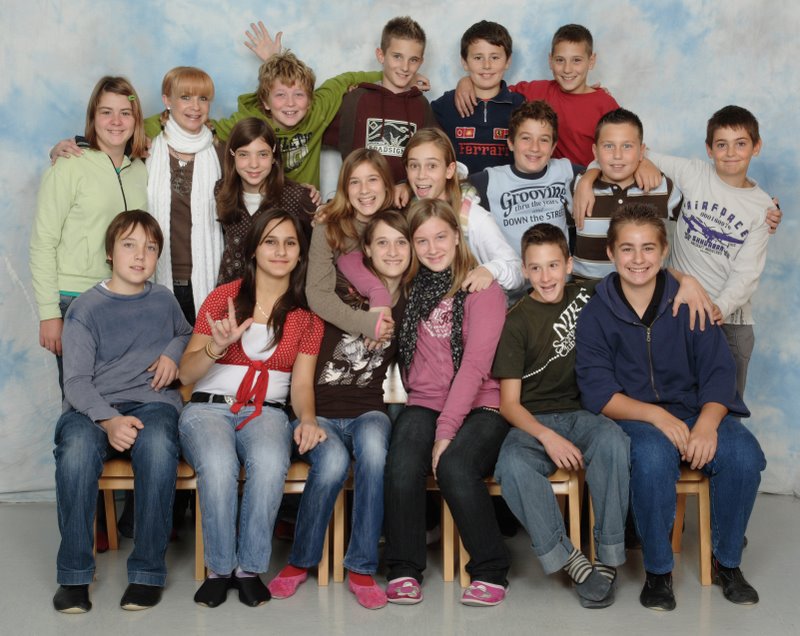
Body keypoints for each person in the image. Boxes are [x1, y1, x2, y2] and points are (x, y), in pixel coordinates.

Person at [575, 203, 766, 611]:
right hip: (636, 417)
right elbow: (598, 392)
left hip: (695, 410)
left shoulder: (690, 303)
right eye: (627, 248)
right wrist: (656, 416)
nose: (638, 259)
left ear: (664, 252)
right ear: (610, 253)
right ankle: (659, 571)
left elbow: (719, 372)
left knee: (743, 455)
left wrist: (708, 424)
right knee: (650, 458)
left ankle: (727, 562)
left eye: (648, 248)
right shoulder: (595, 313)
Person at [575, 105, 777, 397]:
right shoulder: (693, 173)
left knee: (724, 402)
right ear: (709, 149)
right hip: (679, 308)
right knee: (682, 395)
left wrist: (718, 309)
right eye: (722, 144)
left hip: (726, 317)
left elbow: (747, 274)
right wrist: (590, 176)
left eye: (741, 144)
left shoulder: (763, 208)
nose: (731, 153)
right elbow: (626, 153)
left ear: (756, 147)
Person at [178, 209, 324, 608]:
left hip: (267, 411)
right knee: (218, 464)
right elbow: (185, 373)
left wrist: (308, 419)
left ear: (300, 253)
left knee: (271, 461)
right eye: (270, 242)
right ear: (254, 249)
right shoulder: (223, 298)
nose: (280, 251)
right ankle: (219, 569)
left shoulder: (306, 316)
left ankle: (249, 569)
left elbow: (302, 385)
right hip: (208, 410)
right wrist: (216, 347)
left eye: (290, 243)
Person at [269, 210, 411, 610]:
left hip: (369, 411)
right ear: (367, 250)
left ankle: (362, 567)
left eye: (401, 243)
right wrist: (307, 419)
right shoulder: (336, 299)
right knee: (331, 462)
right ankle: (300, 560)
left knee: (375, 451)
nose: (392, 251)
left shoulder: (406, 308)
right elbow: (301, 379)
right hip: (319, 413)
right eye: (382, 243)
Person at [52, 210, 191, 613]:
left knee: (159, 447)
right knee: (76, 453)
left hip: (152, 402)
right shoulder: (86, 309)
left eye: (150, 248)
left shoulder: (163, 300)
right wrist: (109, 420)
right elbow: (76, 382)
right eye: (129, 245)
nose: (140, 255)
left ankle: (147, 572)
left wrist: (172, 353)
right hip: (94, 407)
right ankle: (74, 576)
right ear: (110, 253)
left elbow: (186, 333)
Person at [492, 223, 628, 608]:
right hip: (533, 420)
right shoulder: (516, 321)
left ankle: (608, 555)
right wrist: (546, 436)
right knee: (512, 465)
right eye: (535, 268)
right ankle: (570, 559)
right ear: (524, 270)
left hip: (581, 413)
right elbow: (509, 404)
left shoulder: (587, 293)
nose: (545, 276)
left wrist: (688, 283)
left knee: (614, 441)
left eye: (553, 265)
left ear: (569, 265)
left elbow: (638, 276)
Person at [384, 198, 510, 607]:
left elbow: (474, 368)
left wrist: (445, 432)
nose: (433, 248)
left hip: (482, 405)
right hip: (425, 400)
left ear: (458, 236)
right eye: (421, 241)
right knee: (402, 462)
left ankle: (491, 569)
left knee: (455, 465)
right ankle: (403, 568)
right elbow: (356, 263)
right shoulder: (409, 289)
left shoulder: (483, 290)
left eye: (441, 237)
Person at [30, 75, 148, 389]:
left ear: (136, 119)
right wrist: (49, 313)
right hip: (75, 300)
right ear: (93, 117)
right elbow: (43, 243)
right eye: (106, 112)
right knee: (81, 399)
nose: (116, 121)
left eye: (125, 112)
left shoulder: (140, 169)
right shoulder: (69, 165)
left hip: (126, 299)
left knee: (121, 395)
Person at [210, 29, 382, 188]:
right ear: (265, 102)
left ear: (310, 100)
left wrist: (395, 76)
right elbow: (209, 130)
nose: (290, 103)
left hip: (305, 203)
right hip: (263, 202)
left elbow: (349, 78)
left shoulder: (318, 110)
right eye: (281, 95)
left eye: (299, 94)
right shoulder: (251, 122)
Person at [455, 23, 619, 167]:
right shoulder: (537, 90)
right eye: (560, 60)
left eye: (576, 60)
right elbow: (493, 87)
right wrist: (466, 81)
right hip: (546, 186)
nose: (567, 69)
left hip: (588, 183)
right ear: (550, 60)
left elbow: (622, 146)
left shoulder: (604, 104)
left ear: (591, 61)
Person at [403, 128, 524, 296]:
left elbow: (517, 272)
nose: (421, 175)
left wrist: (491, 269)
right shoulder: (408, 211)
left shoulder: (475, 218)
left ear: (449, 170)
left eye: (432, 166)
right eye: (414, 166)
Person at [147, 66, 225, 325]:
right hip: (155, 277)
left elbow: (258, 176)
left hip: (206, 278)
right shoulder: (145, 149)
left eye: (203, 98)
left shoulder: (220, 152)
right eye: (185, 97)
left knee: (204, 351)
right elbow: (105, 139)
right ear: (167, 100)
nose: (195, 106)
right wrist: (65, 147)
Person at [570, 107, 682, 280]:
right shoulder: (579, 187)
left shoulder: (662, 188)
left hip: (644, 285)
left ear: (642, 151)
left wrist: (683, 278)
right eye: (608, 146)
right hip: (587, 286)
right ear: (595, 152)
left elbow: (692, 230)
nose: (617, 155)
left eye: (627, 146)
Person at [322, 16, 437, 183]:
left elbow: (435, 158)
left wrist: (406, 187)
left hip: (404, 199)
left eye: (413, 60)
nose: (405, 67)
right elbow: (311, 132)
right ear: (381, 55)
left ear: (421, 62)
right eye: (397, 56)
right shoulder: (356, 100)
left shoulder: (421, 106)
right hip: (360, 196)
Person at [306, 148, 396, 339]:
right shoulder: (328, 225)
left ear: (387, 185)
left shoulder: (397, 222)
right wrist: (367, 324)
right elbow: (317, 293)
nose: (364, 190)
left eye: (372, 179)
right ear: (345, 189)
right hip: (342, 321)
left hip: (391, 316)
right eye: (354, 182)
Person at [469, 101, 578, 258]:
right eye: (526, 138)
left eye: (544, 140)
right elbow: (450, 188)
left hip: (557, 272)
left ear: (553, 147)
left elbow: (603, 169)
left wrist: (588, 178)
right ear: (511, 143)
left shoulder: (563, 170)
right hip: (511, 272)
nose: (535, 148)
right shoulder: (489, 180)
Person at [216, 117, 316, 284]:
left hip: (281, 291)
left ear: (274, 156)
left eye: (263, 154)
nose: (254, 164)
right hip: (230, 289)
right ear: (233, 156)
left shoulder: (297, 196)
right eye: (244, 154)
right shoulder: (221, 190)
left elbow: (321, 249)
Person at [431, 20, 524, 173]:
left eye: (495, 57)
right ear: (464, 62)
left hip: (506, 189)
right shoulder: (445, 105)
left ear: (508, 61)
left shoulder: (521, 107)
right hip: (459, 188)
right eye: (478, 58)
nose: (486, 65)